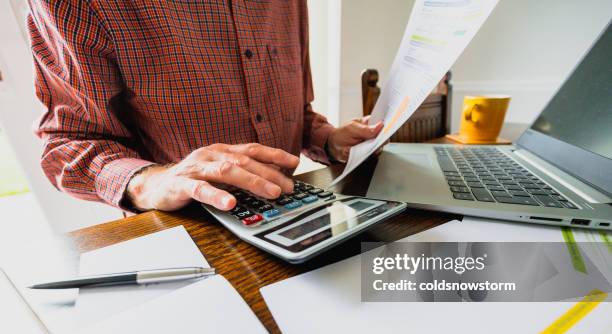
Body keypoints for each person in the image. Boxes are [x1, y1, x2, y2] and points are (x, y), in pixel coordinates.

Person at [27, 0, 383, 213]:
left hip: (294, 214)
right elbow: (70, 142)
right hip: (185, 233)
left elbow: (296, 111)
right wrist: (154, 182)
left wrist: (329, 139)